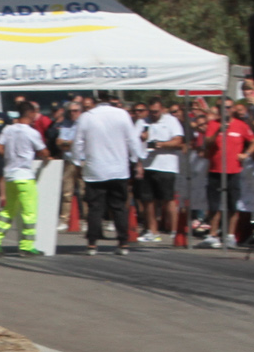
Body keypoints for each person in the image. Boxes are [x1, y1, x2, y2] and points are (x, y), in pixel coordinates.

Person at [76, 92, 141, 255]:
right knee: (119, 207)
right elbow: (133, 140)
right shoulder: (122, 114)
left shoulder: (87, 117)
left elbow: (78, 143)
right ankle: (123, 243)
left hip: (95, 169)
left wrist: (77, 162)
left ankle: (92, 244)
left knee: (95, 208)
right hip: (118, 169)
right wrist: (136, 159)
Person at [0, 111, 49, 254]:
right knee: (29, 213)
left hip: (10, 175)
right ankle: (26, 246)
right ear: (30, 115)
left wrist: (10, 158)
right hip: (25, 176)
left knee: (9, 210)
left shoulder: (8, 129)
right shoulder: (32, 132)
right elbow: (44, 152)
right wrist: (46, 157)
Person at [199, 101, 254, 248]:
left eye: (228, 107)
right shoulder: (213, 124)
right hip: (215, 170)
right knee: (214, 205)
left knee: (233, 205)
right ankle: (213, 235)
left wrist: (246, 154)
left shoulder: (241, 125)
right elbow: (208, 143)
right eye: (222, 107)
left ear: (233, 109)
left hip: (234, 171)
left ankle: (230, 236)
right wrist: (218, 130)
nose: (225, 110)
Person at [139, 99, 183, 242]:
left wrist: (161, 144)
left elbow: (178, 140)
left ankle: (175, 231)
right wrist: (142, 138)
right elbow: (133, 139)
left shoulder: (171, 121)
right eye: (151, 112)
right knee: (148, 200)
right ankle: (152, 231)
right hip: (148, 165)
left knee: (168, 199)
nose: (154, 114)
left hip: (166, 166)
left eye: (156, 112)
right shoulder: (143, 122)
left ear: (162, 109)